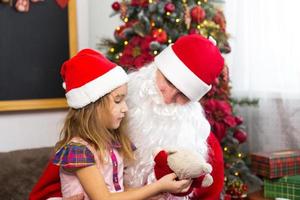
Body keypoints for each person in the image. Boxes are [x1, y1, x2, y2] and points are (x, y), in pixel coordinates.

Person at [30, 34, 225, 200]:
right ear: (157, 69)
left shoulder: (201, 141)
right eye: (169, 82)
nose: (169, 97)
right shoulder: (109, 113)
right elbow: (54, 185)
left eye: (183, 95)